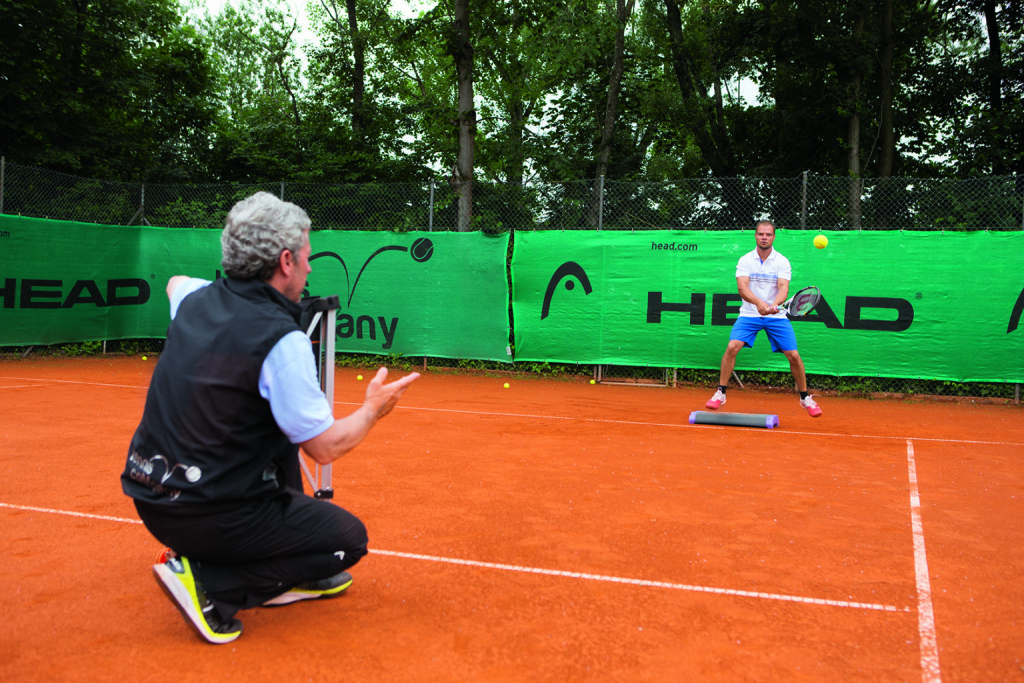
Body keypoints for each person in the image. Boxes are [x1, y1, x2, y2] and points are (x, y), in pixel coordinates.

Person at [121, 191, 419, 644]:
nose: (310, 267)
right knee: (346, 541)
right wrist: (372, 410)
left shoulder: (193, 298)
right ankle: (211, 585)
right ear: (285, 261)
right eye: (307, 256)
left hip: (151, 498)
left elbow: (174, 281)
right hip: (212, 515)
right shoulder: (282, 340)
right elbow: (324, 447)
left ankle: (261, 573)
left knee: (275, 424)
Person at [705, 219, 822, 417]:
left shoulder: (782, 261)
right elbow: (742, 287)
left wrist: (775, 305)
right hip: (750, 314)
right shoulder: (745, 260)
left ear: (774, 237)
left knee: (793, 355)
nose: (764, 237)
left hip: (777, 316)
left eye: (768, 234)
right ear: (756, 236)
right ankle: (720, 393)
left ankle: (805, 397)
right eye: (761, 234)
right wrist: (759, 304)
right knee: (732, 346)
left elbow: (783, 287)